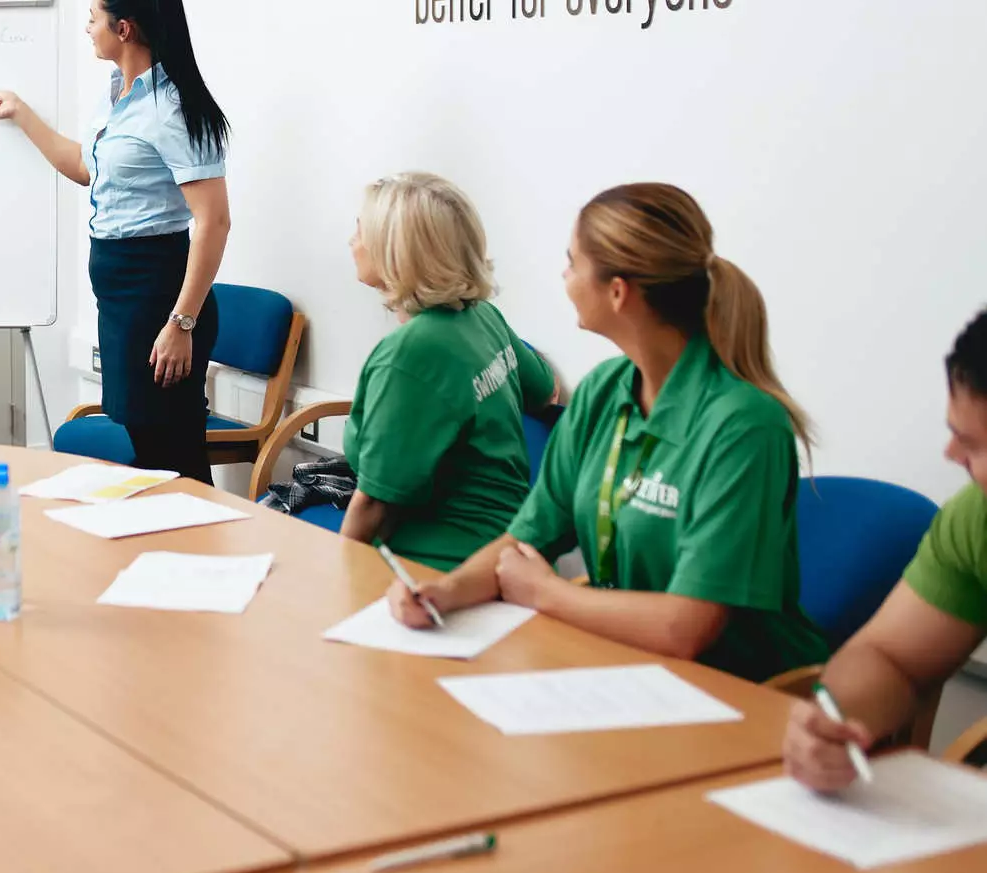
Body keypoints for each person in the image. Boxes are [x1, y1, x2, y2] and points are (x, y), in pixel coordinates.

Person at [386, 183, 829, 683]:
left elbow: (687, 628)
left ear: (618, 292)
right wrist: (444, 592)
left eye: (572, 263)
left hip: (744, 691)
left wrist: (547, 594)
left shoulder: (744, 426)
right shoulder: (604, 391)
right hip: (627, 671)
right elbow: (525, 540)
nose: (564, 276)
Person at [0, 0, 231, 483]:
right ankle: (167, 554)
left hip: (160, 292)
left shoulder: (173, 109)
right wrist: (20, 112)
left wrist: (181, 324)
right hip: (120, 294)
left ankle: (198, 555)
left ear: (124, 29)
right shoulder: (117, 95)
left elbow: (215, 222)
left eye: (94, 18)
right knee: (147, 441)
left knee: (174, 456)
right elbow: (85, 168)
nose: (87, 28)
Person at [784, 309, 987, 787]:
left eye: (973, 444)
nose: (951, 456)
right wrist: (835, 720)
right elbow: (890, 657)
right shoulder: (975, 516)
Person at [339, 173, 554, 570]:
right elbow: (544, 390)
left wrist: (335, 579)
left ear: (395, 250)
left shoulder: (410, 354)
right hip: (508, 551)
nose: (352, 242)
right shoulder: (483, 317)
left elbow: (374, 504)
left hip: (439, 569)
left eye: (360, 230)